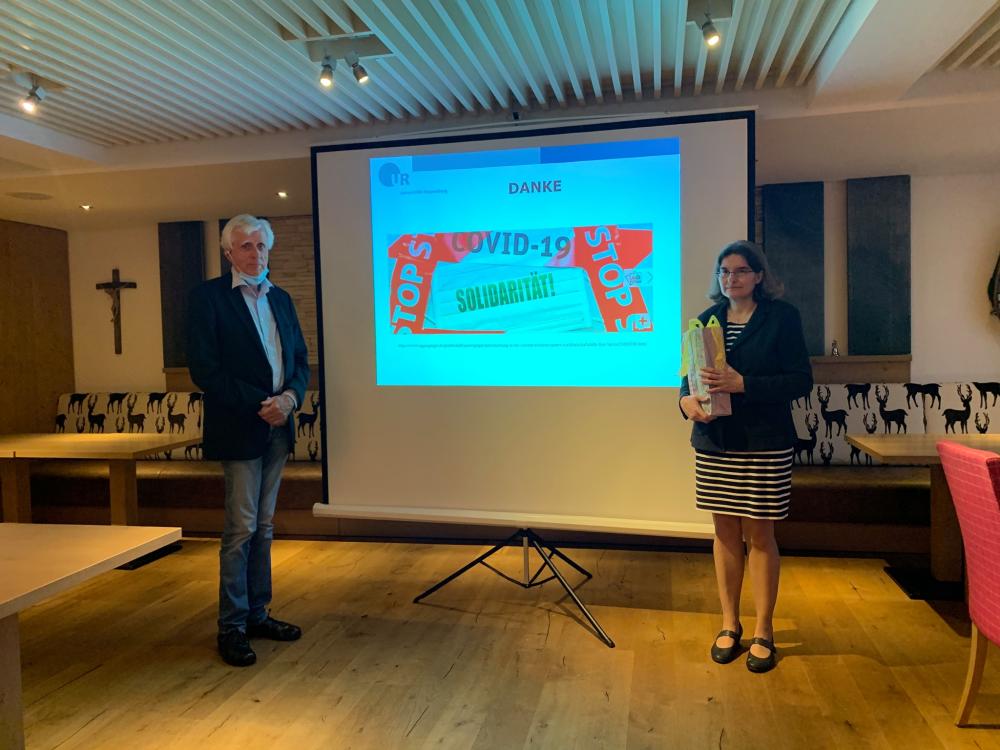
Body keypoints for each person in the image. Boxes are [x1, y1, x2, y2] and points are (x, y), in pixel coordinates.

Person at [679, 240, 812, 673]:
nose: (730, 278)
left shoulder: (782, 317)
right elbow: (688, 380)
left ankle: (764, 629)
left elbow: (800, 381)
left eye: (739, 271)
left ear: (758, 276)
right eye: (724, 271)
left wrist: (744, 384)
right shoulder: (705, 320)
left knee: (760, 535)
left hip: (764, 443)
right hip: (715, 442)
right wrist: (685, 402)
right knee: (723, 534)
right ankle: (729, 623)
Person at [187, 214, 310, 667]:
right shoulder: (208, 298)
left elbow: (300, 360)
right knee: (240, 528)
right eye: (245, 246)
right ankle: (232, 627)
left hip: (279, 426)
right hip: (241, 425)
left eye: (261, 245)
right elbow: (205, 369)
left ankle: (258, 614)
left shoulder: (282, 299)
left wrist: (290, 399)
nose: (255, 253)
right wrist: (262, 403)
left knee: (264, 526)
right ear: (228, 253)